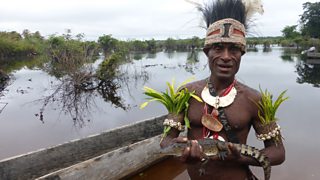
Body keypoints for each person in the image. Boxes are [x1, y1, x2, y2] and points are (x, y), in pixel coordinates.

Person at [160, 0, 285, 179]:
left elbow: (278, 152)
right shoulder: (185, 94)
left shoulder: (254, 99)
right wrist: (181, 150)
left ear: (242, 53)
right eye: (218, 48)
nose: (226, 57)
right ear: (207, 52)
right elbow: (166, 142)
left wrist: (240, 158)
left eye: (233, 49)